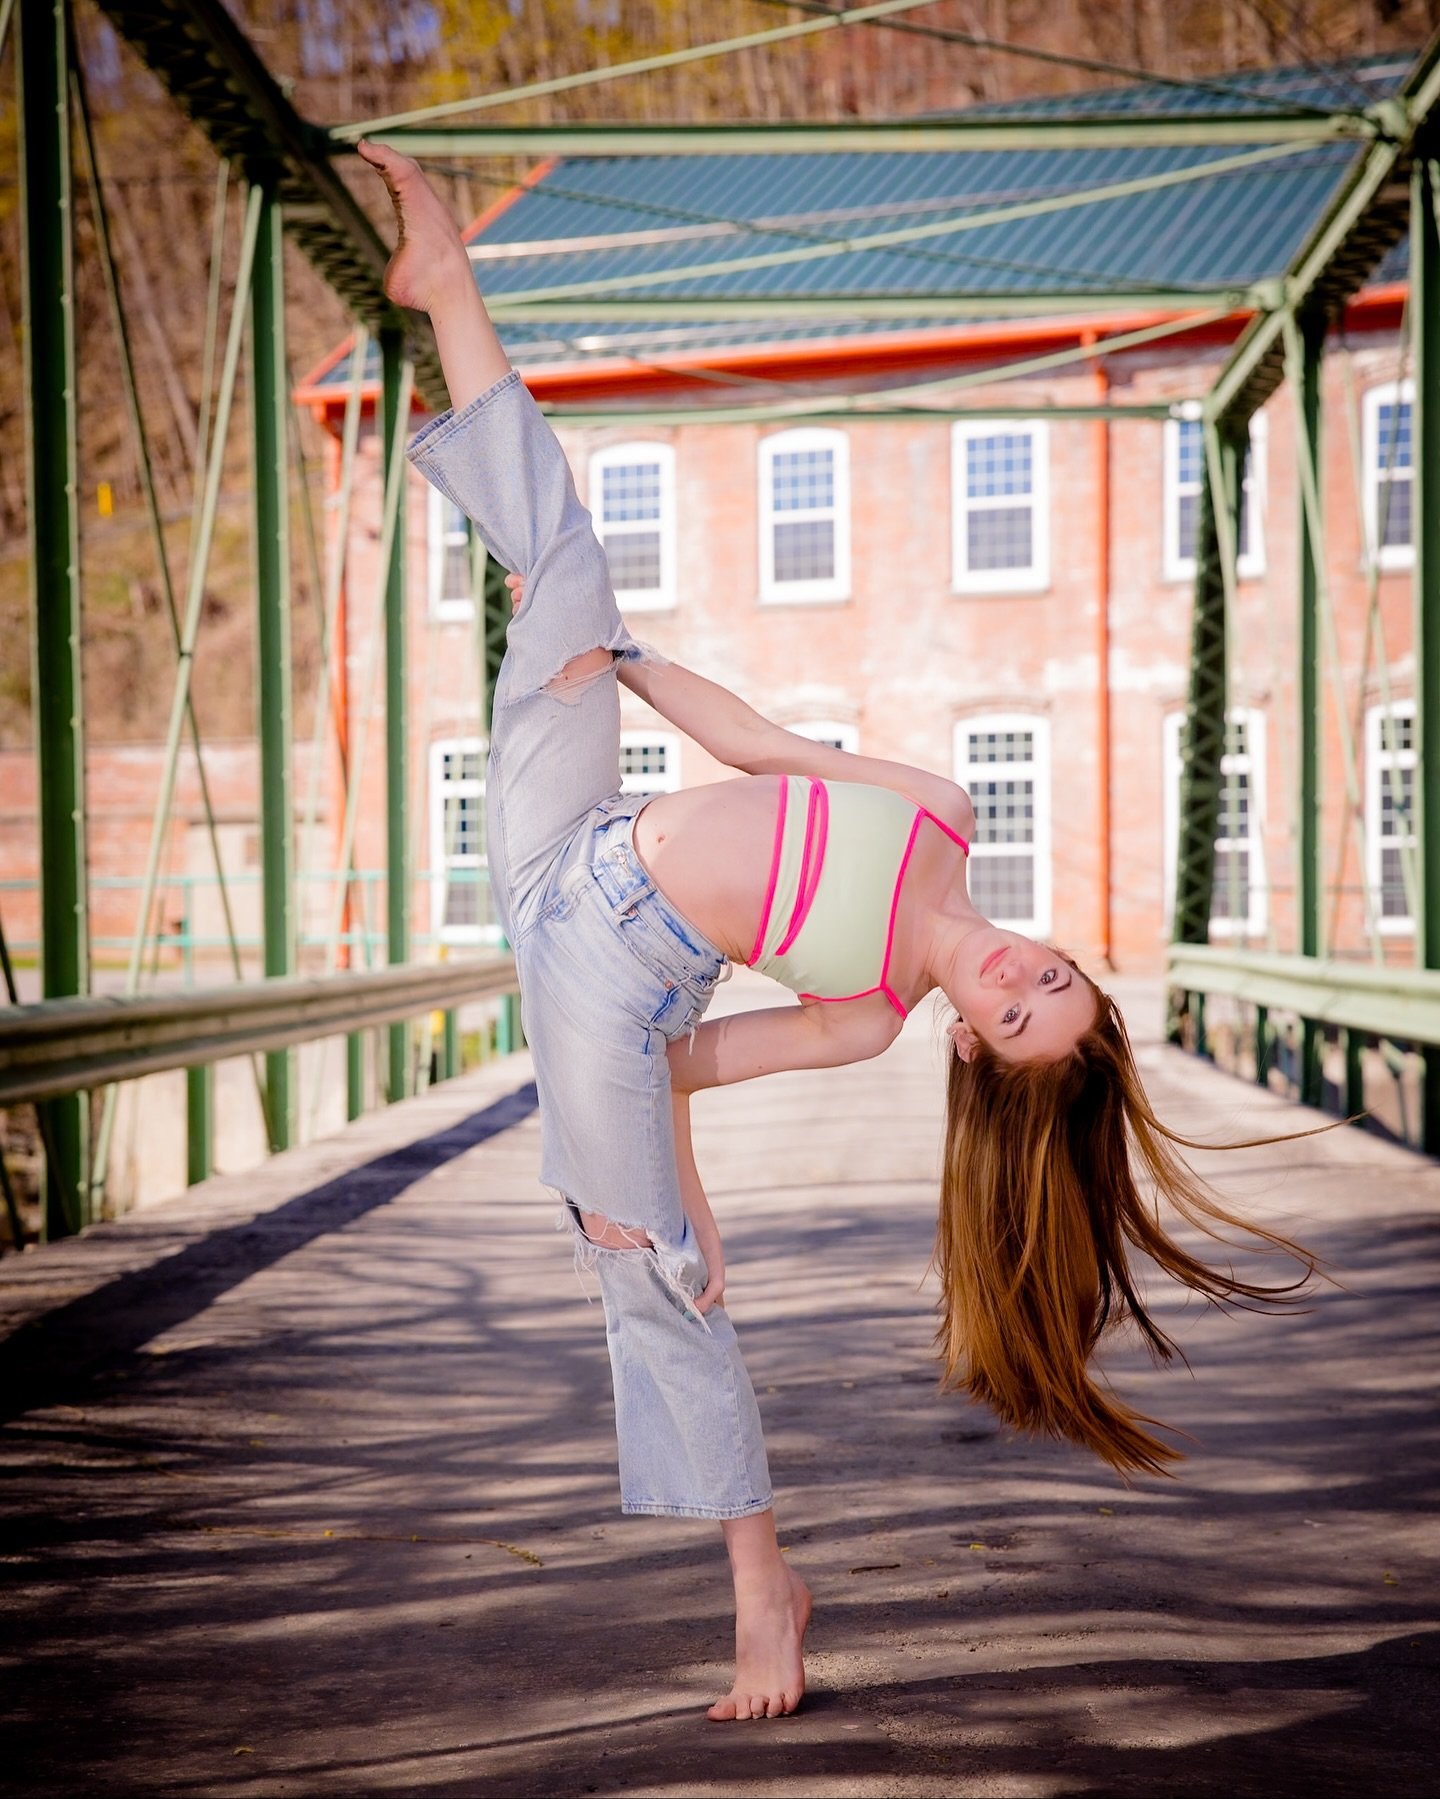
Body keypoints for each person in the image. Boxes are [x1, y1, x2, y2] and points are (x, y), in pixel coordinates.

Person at [357, 140, 1315, 1723]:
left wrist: (681, 1205)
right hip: (564, 841)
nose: (1022, 978)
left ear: (967, 1042)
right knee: (569, 554)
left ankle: (762, 1589)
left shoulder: (867, 1005)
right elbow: (770, 753)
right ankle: (448, 283)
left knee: (651, 1273)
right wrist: (639, 669)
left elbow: (682, 1059)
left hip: (598, 982)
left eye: (1019, 1017)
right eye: (1053, 977)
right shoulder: (940, 809)